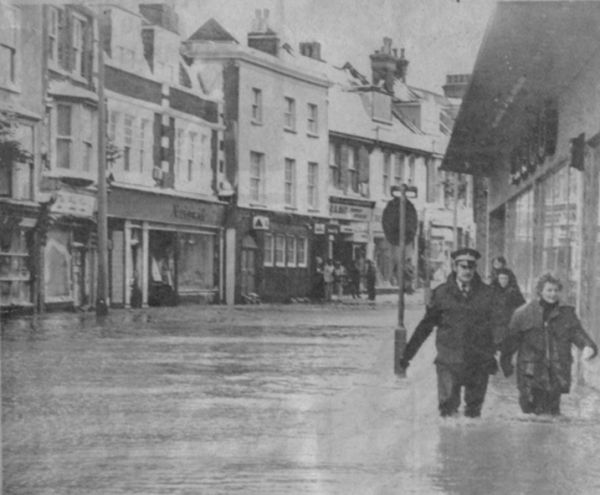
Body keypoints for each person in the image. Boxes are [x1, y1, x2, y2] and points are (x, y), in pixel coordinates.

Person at [398, 248, 500, 418]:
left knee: (474, 414)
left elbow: (496, 327)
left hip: (478, 362)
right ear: (455, 267)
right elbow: (425, 327)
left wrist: (497, 356)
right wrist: (407, 356)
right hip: (449, 361)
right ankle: (447, 444)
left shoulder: (488, 294)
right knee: (447, 411)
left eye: (471, 267)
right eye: (463, 267)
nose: (467, 271)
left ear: (475, 268)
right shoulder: (441, 293)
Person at [500, 273, 598, 416]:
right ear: (540, 291)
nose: (553, 294)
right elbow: (510, 341)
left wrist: (588, 346)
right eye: (549, 290)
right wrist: (506, 363)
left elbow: (577, 333)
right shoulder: (523, 313)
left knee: (552, 415)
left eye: (556, 290)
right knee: (530, 413)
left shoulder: (567, 313)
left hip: (556, 373)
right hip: (530, 373)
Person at [491, 267, 526, 348]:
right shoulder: (492, 291)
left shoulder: (514, 292)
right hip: (495, 326)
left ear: (509, 279)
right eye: (501, 278)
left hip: (509, 325)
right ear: (497, 279)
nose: (503, 281)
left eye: (505, 278)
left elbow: (522, 308)